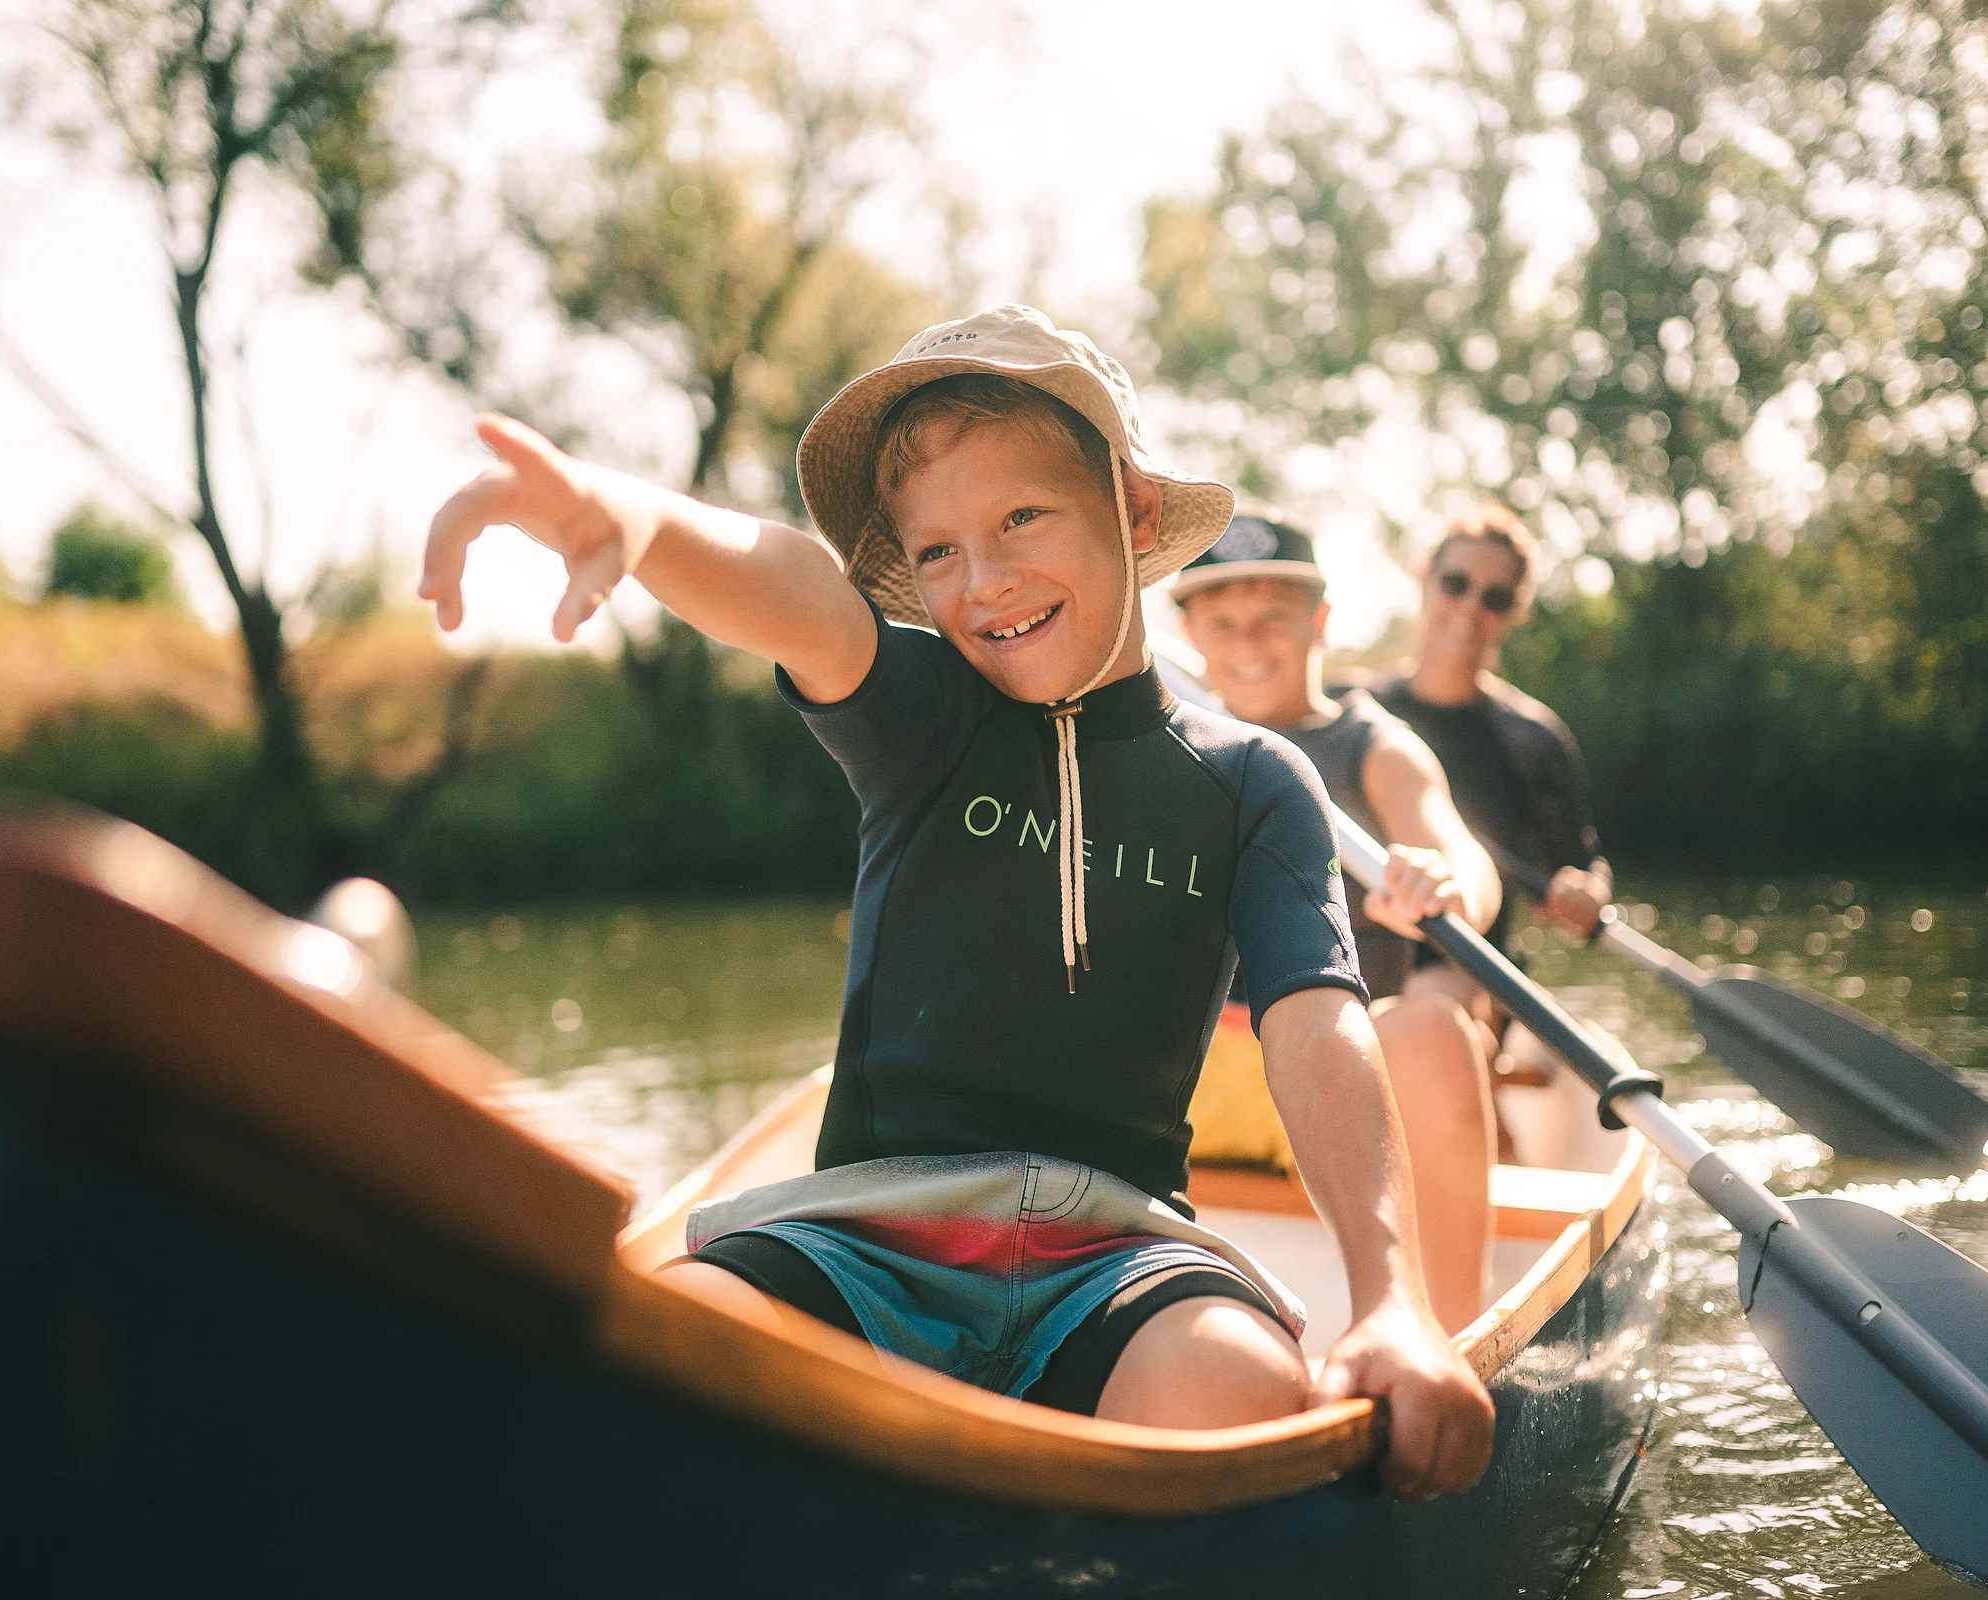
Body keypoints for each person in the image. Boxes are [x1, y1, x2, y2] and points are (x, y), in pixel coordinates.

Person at [418, 304, 1494, 1499]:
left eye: (1020, 517)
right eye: (934, 553)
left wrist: (1394, 1301)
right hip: (867, 1231)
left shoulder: (1252, 782)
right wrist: (636, 516)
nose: (983, 582)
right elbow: (801, 590)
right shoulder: (926, 710)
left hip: (1120, 1249)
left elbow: (1318, 1027)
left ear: (1135, 514)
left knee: (1235, 1394)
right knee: (667, 1354)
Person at [1172, 514, 1504, 1331]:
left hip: (1341, 1079)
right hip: (1191, 1082)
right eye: (1223, 623)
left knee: (1432, 1029)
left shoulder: (1374, 748)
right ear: (1188, 634)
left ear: (1318, 622)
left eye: (1271, 620)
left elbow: (1464, 860)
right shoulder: (1165, 741)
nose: (1247, 642)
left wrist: (1444, 883)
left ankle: (1446, 1347)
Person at [1374, 503, 1612, 952]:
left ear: (1513, 611)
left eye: (1495, 597)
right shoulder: (1354, 709)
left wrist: (1587, 893)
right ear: (1425, 582)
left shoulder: (1534, 738)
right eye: (1456, 584)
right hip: (1351, 960)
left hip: (1473, 969)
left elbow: (1583, 865)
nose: (1470, 607)